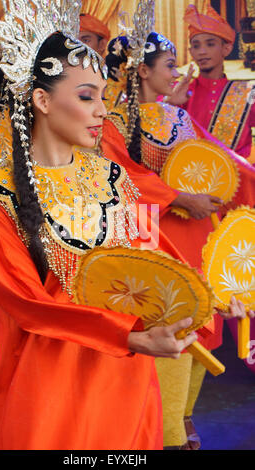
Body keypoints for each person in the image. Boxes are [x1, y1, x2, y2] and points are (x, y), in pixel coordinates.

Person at [0, 0, 200, 451]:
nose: (102, 110)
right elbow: (28, 306)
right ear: (42, 99)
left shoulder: (113, 178)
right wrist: (127, 335)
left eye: (103, 96)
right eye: (87, 96)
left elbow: (149, 257)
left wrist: (204, 294)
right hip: (53, 393)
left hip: (127, 378)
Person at [101, 30, 255, 450]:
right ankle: (165, 430)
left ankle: (183, 414)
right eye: (169, 65)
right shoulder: (113, 122)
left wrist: (241, 185)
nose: (178, 72)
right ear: (143, 71)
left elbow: (220, 157)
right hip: (154, 238)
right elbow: (121, 179)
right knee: (169, 320)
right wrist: (178, 197)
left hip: (196, 233)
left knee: (204, 321)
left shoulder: (182, 118)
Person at [168, 4, 255, 160]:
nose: (202, 51)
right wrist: (170, 104)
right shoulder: (181, 92)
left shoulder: (247, 93)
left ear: (227, 49)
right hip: (191, 176)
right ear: (191, 52)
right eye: (196, 46)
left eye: (210, 44)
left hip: (238, 177)